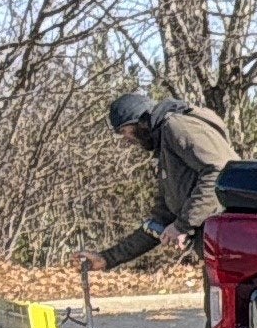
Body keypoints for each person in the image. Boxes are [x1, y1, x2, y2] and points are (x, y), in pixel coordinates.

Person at [82, 91, 238, 275]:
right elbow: (161, 220)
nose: (127, 140)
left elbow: (219, 172)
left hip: (233, 243)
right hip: (218, 246)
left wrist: (183, 226)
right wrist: (107, 258)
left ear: (140, 120)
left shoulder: (175, 126)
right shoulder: (165, 147)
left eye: (125, 131)